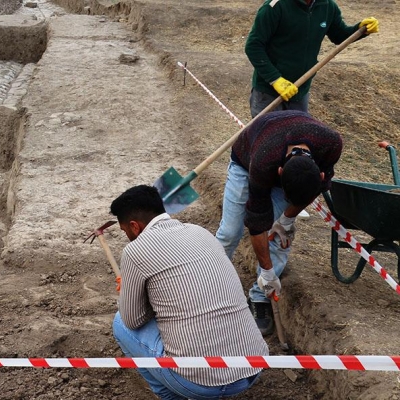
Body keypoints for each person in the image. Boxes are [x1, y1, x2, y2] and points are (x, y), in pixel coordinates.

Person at [110, 185, 268, 400]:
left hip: (200, 383)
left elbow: (132, 320)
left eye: (125, 231)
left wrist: (132, 291)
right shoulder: (201, 232)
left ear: (134, 226)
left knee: (120, 323)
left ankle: (172, 395)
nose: (127, 236)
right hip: (253, 367)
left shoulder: (135, 251)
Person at [215, 110, 342, 335]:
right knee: (230, 232)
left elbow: (316, 189)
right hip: (246, 163)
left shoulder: (331, 144)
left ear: (320, 174)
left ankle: (258, 298)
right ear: (280, 172)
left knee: (281, 239)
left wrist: (286, 219)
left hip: (286, 159)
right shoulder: (264, 161)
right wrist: (267, 271)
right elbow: (256, 223)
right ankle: (209, 287)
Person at [245, 0, 378, 118]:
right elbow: (253, 46)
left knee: (297, 139)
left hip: (300, 91)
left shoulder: (327, 6)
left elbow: (339, 35)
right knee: (268, 139)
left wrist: (360, 30)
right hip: (268, 93)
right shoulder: (275, 7)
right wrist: (275, 79)